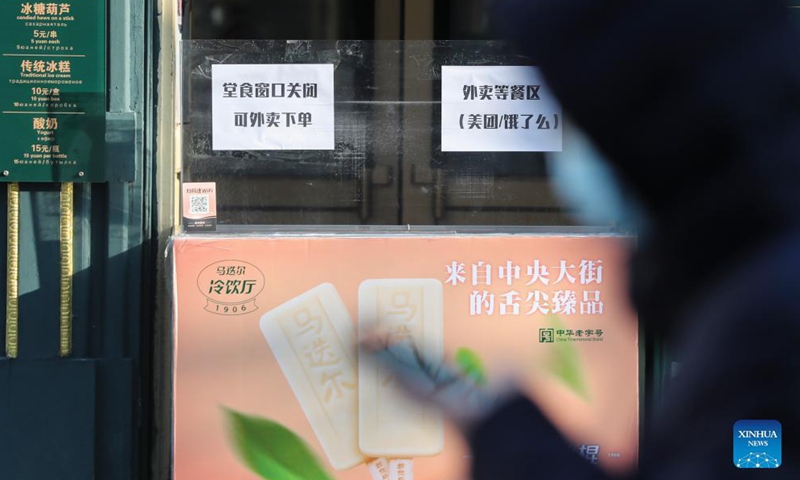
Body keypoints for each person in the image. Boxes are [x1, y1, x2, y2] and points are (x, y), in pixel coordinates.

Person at [362, 0, 800, 477]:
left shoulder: (764, 328)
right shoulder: (744, 298)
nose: (565, 156)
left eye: (577, 124)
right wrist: (495, 425)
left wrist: (503, 434)